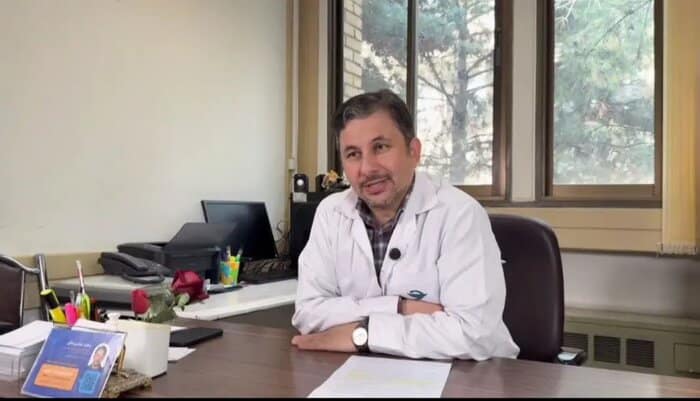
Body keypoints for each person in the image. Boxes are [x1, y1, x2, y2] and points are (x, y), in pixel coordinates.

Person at [291, 89, 519, 360]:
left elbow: (472, 334)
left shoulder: (460, 214)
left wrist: (362, 334)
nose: (367, 168)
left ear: (414, 151)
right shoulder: (331, 213)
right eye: (353, 154)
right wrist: (400, 307)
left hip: (473, 374)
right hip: (369, 371)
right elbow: (307, 313)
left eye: (380, 147)